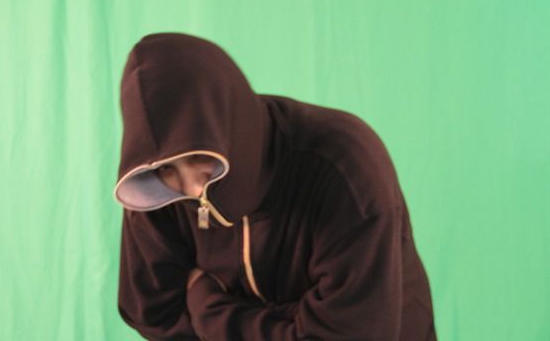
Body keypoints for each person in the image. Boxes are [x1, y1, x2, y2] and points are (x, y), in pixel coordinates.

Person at [114, 32, 437, 340]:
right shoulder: (153, 185)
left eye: (199, 157)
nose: (194, 188)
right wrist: (291, 322)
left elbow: (353, 334)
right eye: (168, 169)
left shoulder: (344, 165)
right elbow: (153, 314)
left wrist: (205, 304)